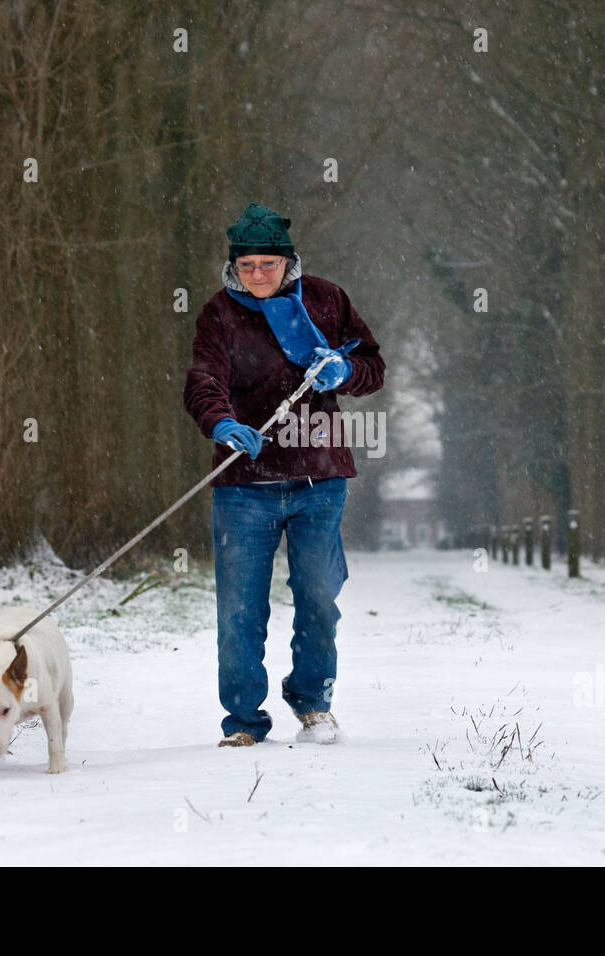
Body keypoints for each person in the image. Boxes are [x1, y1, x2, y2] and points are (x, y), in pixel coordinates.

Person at [183, 202, 385, 747]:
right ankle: (244, 721)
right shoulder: (218, 314)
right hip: (244, 487)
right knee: (239, 609)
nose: (257, 276)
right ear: (233, 269)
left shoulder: (325, 299)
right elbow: (203, 380)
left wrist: (344, 371)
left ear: (288, 262)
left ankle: (313, 702)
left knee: (319, 595)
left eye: (268, 265)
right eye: (246, 267)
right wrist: (221, 422)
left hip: (320, 480)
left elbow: (372, 366)